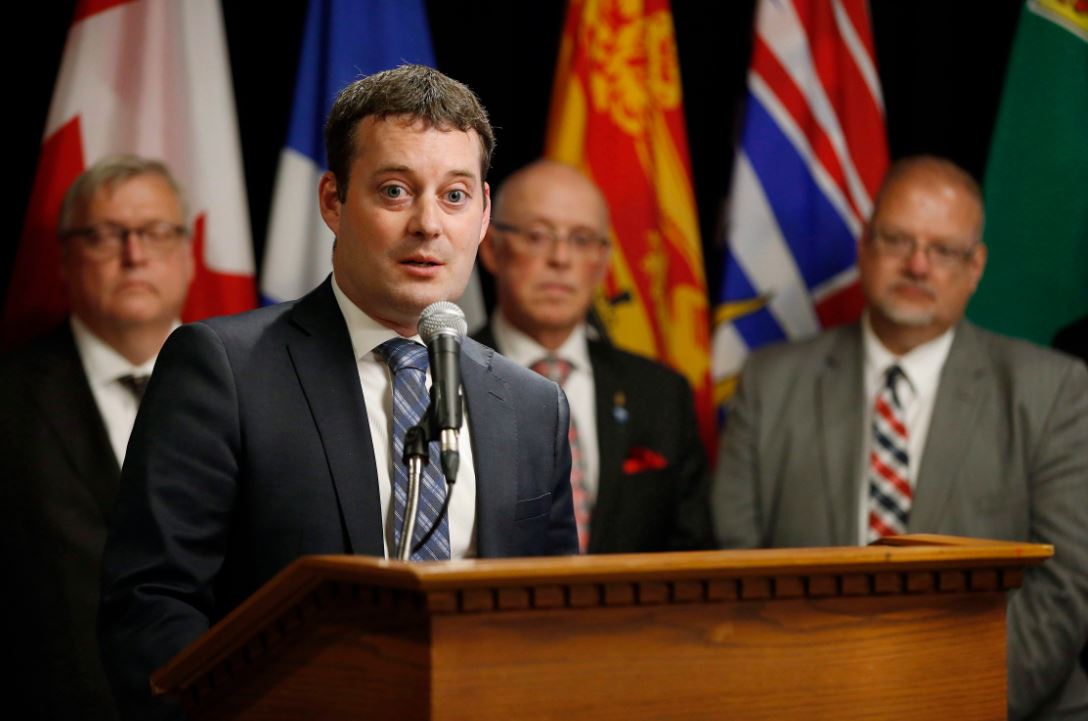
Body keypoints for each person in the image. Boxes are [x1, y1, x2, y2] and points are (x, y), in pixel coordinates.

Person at [99, 66, 577, 720]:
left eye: (456, 195)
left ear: (485, 212)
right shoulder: (224, 368)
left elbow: (557, 621)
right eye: (394, 190)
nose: (428, 224)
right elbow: (152, 604)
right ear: (332, 198)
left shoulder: (532, 404)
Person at [712, 155, 1088, 721]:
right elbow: (734, 565)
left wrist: (947, 702)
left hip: (1001, 703)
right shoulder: (768, 381)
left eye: (942, 250)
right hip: (805, 701)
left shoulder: (1053, 387)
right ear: (864, 245)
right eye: (898, 240)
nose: (918, 265)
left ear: (976, 265)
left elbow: (1066, 585)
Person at [0, 154, 195, 721]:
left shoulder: (259, 392)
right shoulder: (10, 401)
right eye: (105, 235)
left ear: (187, 254)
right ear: (65, 257)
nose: (133, 255)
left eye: (156, 233)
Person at [475, 159, 711, 553]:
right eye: (537, 236)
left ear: (602, 262)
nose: (561, 259)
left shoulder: (661, 394)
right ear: (492, 249)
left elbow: (694, 550)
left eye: (582, 240)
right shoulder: (440, 377)